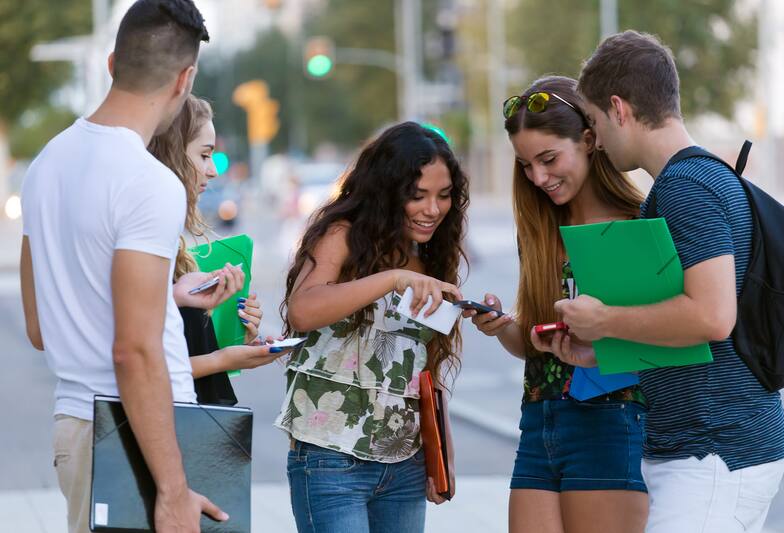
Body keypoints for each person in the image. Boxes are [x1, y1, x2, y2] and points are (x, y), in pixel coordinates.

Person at [551, 30, 784, 533]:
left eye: (593, 123)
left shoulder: (685, 187)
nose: (593, 140)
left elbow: (711, 317)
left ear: (618, 108)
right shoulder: (699, 179)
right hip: (713, 451)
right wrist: (601, 347)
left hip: (714, 453)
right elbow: (696, 328)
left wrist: (604, 318)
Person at [19, 2, 228, 532]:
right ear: (186, 78)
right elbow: (134, 351)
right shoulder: (147, 182)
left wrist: (167, 299)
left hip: (76, 428)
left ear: (113, 63)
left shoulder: (45, 166)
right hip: (139, 437)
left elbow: (41, 327)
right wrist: (173, 489)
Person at [463, 76, 648, 533]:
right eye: (525, 165)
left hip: (609, 421)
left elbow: (665, 341)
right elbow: (535, 345)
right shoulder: (541, 230)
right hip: (538, 422)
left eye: (548, 159)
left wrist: (601, 333)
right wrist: (504, 323)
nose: (538, 178)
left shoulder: (635, 226)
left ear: (589, 140)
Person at [275, 121, 469, 533]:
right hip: (331, 459)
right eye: (416, 196)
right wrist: (392, 278)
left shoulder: (430, 257)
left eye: (444, 195)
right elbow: (303, 311)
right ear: (386, 190)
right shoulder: (342, 236)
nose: (432, 209)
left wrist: (442, 454)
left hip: (405, 464)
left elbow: (424, 367)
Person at [149, 94, 285, 405]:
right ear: (171, 154)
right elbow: (141, 363)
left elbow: (182, 348)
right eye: (204, 155)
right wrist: (224, 359)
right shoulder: (145, 242)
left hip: (192, 419)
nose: (212, 171)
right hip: (165, 425)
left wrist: (236, 335)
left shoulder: (176, 249)